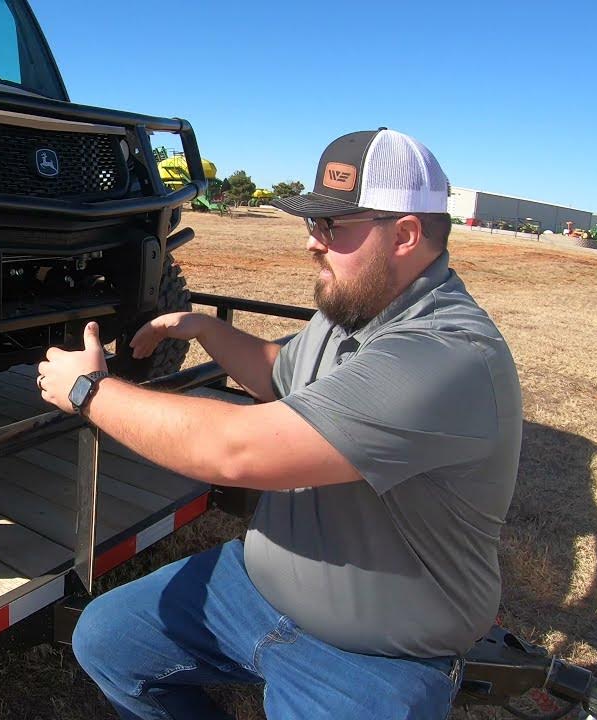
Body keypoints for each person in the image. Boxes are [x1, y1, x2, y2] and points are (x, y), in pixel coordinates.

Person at [35, 128, 522, 719]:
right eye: (311, 223)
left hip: (377, 657)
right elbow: (281, 374)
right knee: (105, 641)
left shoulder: (446, 357)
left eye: (333, 226)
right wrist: (206, 330)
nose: (314, 243)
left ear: (406, 235)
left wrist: (89, 391)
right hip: (256, 590)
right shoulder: (354, 308)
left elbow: (233, 449)